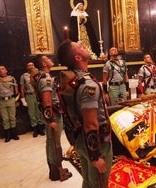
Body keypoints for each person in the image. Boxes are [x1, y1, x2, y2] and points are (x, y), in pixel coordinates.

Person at [57, 39, 113, 188]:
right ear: (78, 57)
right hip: (96, 143)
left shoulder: (72, 80)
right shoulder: (88, 85)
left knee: (88, 182)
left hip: (81, 140)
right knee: (98, 183)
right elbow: (91, 123)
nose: (84, 45)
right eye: (80, 46)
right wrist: (95, 156)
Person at [32, 54, 72, 181]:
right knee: (55, 143)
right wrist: (50, 120)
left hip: (52, 113)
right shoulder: (46, 78)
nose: (51, 59)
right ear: (44, 64)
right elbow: (46, 101)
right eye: (47, 59)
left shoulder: (41, 76)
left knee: (51, 142)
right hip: (53, 114)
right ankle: (56, 171)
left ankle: (54, 170)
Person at [0, 65, 20, 143]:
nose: (1, 70)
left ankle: (14, 134)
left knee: (12, 117)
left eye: (2, 69)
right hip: (1, 101)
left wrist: (17, 101)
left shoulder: (12, 79)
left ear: (6, 70)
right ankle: (8, 135)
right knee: (5, 119)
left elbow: (16, 90)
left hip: (11, 100)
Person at [20, 61, 45, 137]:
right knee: (32, 113)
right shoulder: (24, 76)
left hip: (38, 95)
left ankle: (41, 129)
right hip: (29, 95)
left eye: (32, 65)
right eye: (29, 65)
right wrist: (23, 99)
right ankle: (35, 129)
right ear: (27, 67)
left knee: (39, 112)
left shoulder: (39, 74)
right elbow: (22, 88)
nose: (31, 66)